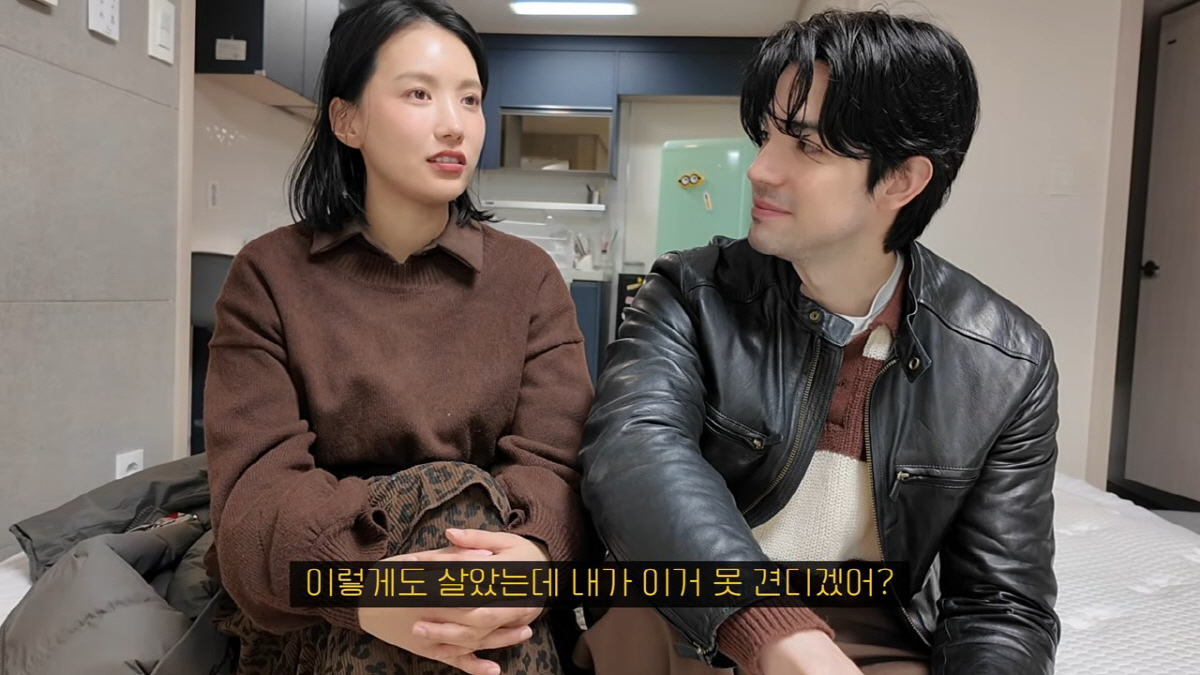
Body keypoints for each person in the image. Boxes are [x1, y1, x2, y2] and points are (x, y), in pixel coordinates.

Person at [573, 9, 1060, 675]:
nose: (760, 169)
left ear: (902, 180)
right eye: (768, 135)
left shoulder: (1007, 363)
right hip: (686, 609)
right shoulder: (689, 293)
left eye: (806, 146)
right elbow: (635, 455)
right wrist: (773, 629)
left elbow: (1000, 603)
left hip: (868, 632)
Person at [201, 2, 595, 674]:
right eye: (419, 94)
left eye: (470, 99)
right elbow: (255, 496)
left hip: (497, 594)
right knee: (451, 500)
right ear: (346, 120)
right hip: (325, 600)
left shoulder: (527, 278)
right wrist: (374, 591)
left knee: (465, 511)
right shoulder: (268, 274)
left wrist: (533, 552)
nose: (454, 123)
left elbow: (559, 466)